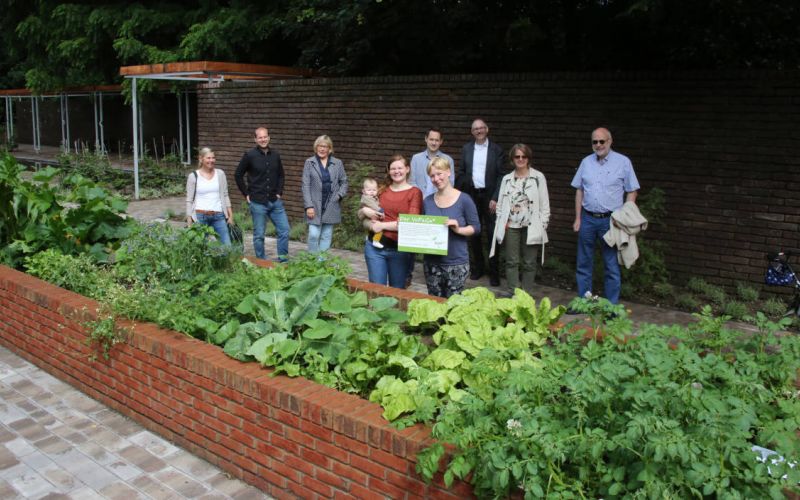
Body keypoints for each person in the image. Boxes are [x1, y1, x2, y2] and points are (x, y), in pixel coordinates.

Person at [571, 127, 640, 304]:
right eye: (595, 141)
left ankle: (611, 308)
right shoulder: (586, 162)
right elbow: (579, 190)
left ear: (610, 141)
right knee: (584, 263)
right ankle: (583, 303)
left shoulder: (623, 162)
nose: (598, 145)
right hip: (587, 219)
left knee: (611, 265)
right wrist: (578, 218)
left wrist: (625, 216)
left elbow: (632, 190)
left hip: (610, 222)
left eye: (602, 141)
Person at [490, 144, 550, 295]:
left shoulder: (538, 177)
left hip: (532, 226)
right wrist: (501, 221)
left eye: (524, 156)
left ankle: (526, 293)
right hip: (511, 226)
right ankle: (514, 292)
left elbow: (544, 204)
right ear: (512, 159)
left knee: (529, 262)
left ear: (528, 158)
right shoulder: (506, 179)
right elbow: (500, 205)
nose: (521, 159)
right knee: (511, 261)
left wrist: (543, 224)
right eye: (517, 156)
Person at [456, 118, 508, 286]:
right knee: (474, 233)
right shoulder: (466, 149)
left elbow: (502, 175)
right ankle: (478, 268)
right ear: (472, 132)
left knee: (492, 234)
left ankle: (494, 272)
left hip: (490, 197)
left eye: (481, 128)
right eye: (475, 129)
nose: (478, 131)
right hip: (472, 196)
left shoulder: (497, 150)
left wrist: (495, 197)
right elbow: (462, 172)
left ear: (487, 129)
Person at [359, 155, 423, 288]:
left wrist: (382, 225)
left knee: (397, 292)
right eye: (393, 168)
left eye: (400, 168)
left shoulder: (415, 192)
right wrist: (365, 212)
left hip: (399, 250)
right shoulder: (381, 190)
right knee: (376, 292)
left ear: (407, 169)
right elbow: (362, 213)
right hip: (374, 248)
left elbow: (410, 223)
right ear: (388, 171)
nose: (396, 171)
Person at [423, 157, 480, 297]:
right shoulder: (427, 201)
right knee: (434, 305)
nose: (436, 179)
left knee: (453, 308)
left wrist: (458, 229)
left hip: (456, 263)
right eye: (432, 176)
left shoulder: (464, 199)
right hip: (431, 262)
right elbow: (423, 228)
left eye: (439, 173)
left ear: (448, 172)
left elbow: (476, 228)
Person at [234, 127, 290, 261]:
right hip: (257, 201)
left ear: (269, 138)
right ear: (255, 139)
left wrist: (279, 192)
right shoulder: (249, 155)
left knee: (285, 230)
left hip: (275, 201)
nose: (263, 139)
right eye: (260, 137)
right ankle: (261, 261)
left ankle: (283, 260)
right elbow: (238, 175)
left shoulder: (276, 155)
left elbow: (281, 175)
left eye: (265, 137)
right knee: (259, 235)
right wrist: (246, 193)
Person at [302, 135, 348, 253]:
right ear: (316, 147)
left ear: (330, 149)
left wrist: (339, 196)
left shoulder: (338, 163)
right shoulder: (309, 162)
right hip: (314, 205)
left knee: (326, 235)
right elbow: (305, 185)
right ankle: (312, 260)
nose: (322, 149)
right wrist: (309, 206)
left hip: (331, 204)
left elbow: (344, 182)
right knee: (313, 234)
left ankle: (322, 263)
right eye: (320, 146)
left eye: (325, 146)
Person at [185, 147, 233, 245]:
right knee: (201, 248)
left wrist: (230, 216)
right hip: (200, 216)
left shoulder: (220, 174)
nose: (211, 160)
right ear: (201, 159)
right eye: (208, 158)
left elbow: (225, 195)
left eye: (213, 158)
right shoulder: (193, 176)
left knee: (227, 247)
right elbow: (189, 200)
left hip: (218, 215)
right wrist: (189, 220)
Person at [409, 128, 455, 197]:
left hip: (440, 201)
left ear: (441, 141)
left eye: (437, 140)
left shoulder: (448, 160)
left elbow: (450, 183)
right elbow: (411, 182)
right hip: (419, 200)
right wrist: (420, 197)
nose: (434, 143)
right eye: (431, 139)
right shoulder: (416, 159)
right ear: (426, 139)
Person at [360, 178, 385, 248]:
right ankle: (376, 241)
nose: (372, 192)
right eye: (369, 190)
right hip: (367, 218)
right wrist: (380, 210)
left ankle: (368, 237)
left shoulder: (374, 197)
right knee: (379, 229)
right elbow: (373, 205)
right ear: (363, 191)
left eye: (374, 190)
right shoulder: (366, 198)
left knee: (370, 229)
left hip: (371, 217)